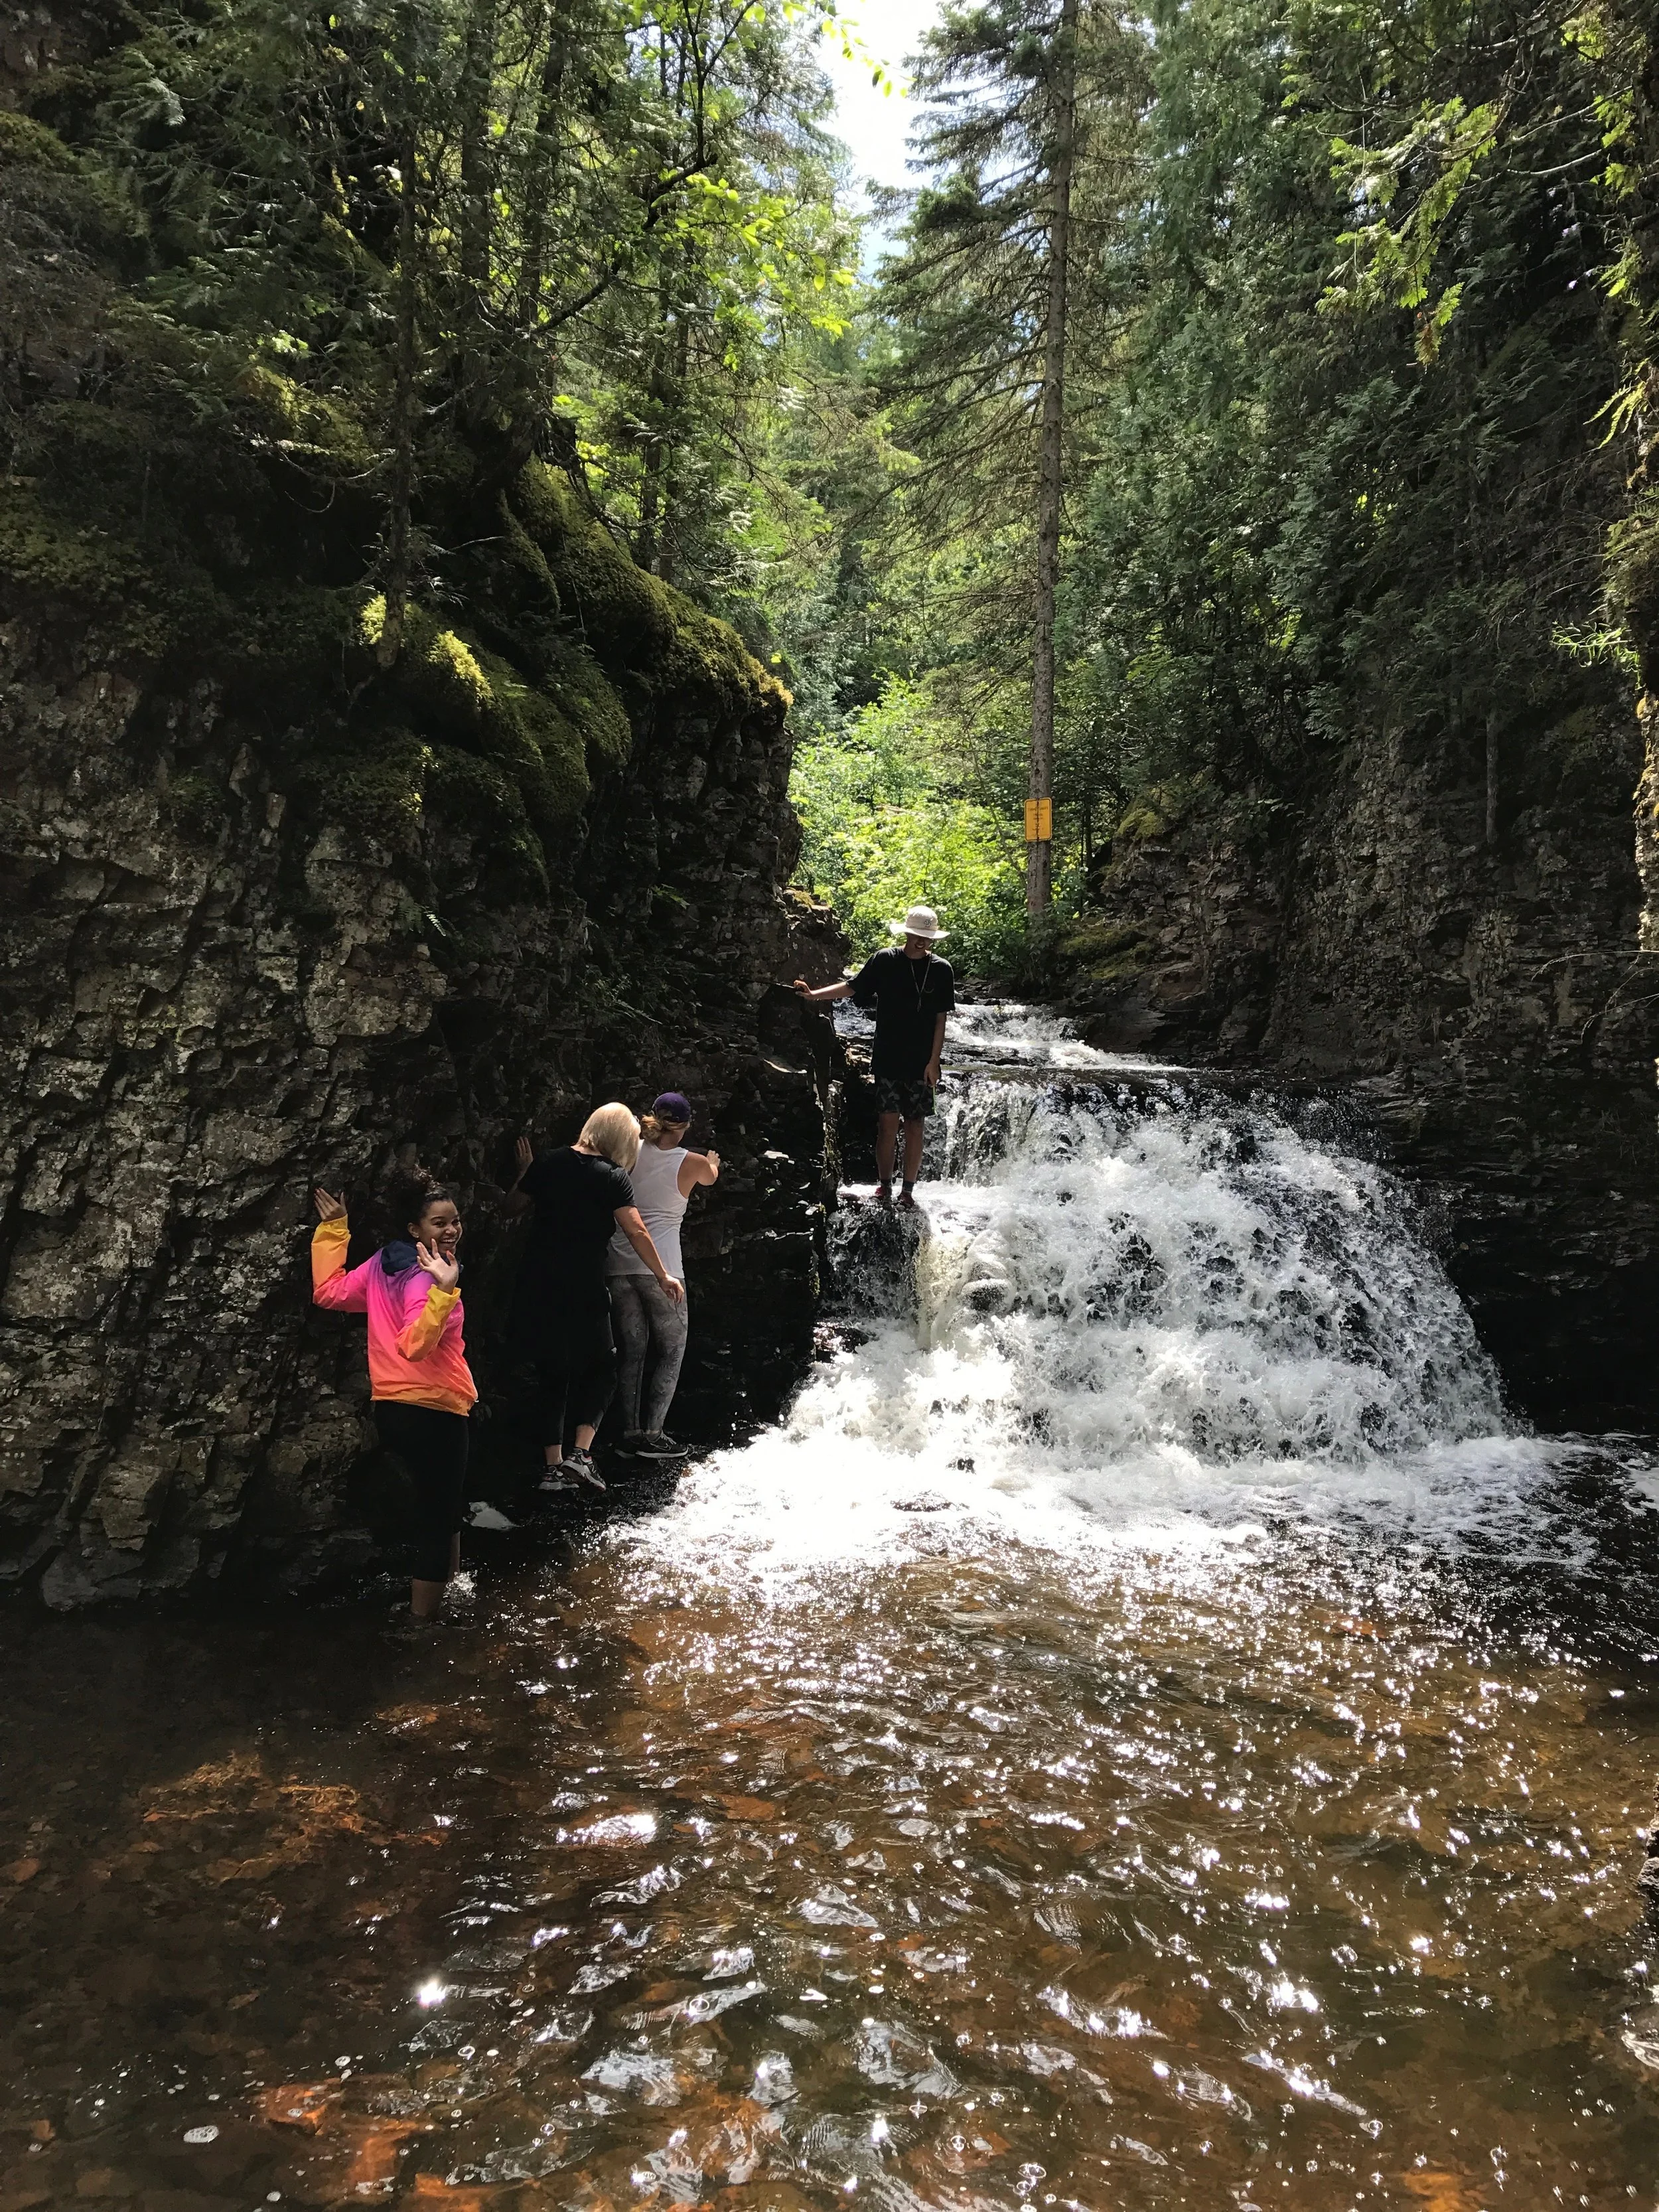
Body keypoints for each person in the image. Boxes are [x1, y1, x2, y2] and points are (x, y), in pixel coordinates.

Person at [311, 1172, 474, 1635]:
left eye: (455, 1221)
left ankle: (451, 1588)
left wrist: (334, 1230)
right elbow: (413, 1344)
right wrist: (444, 1290)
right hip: (432, 1408)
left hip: (394, 1407)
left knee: (443, 1504)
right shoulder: (427, 1276)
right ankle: (421, 1622)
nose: (450, 1230)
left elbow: (330, 1292)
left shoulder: (384, 1262)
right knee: (439, 1516)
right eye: (439, 1222)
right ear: (414, 1228)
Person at [503, 1103, 684, 1495]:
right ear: (621, 1139)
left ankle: (552, 1469)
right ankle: (581, 1456)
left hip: (536, 1280)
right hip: (582, 1282)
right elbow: (636, 1231)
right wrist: (663, 1274)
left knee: (553, 1370)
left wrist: (526, 1171)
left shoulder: (549, 1161)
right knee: (605, 1365)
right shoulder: (612, 1177)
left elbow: (512, 1206)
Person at [793, 902, 955, 1207]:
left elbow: (940, 1019)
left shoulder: (941, 970)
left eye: (927, 937)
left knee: (916, 1124)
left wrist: (935, 1062)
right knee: (887, 1124)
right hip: (888, 1057)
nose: (922, 942)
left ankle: (908, 1190)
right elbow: (854, 987)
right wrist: (814, 995)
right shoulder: (885, 960)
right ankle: (884, 1185)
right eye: (917, 935)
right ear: (906, 934)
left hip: (922, 1062)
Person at [607, 1091, 719, 1460]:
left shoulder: (627, 1153)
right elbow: (711, 1178)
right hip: (664, 1268)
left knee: (632, 1351)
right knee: (671, 1351)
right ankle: (654, 1435)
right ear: (686, 1126)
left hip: (619, 1265)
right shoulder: (693, 1162)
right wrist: (714, 1162)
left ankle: (629, 1432)